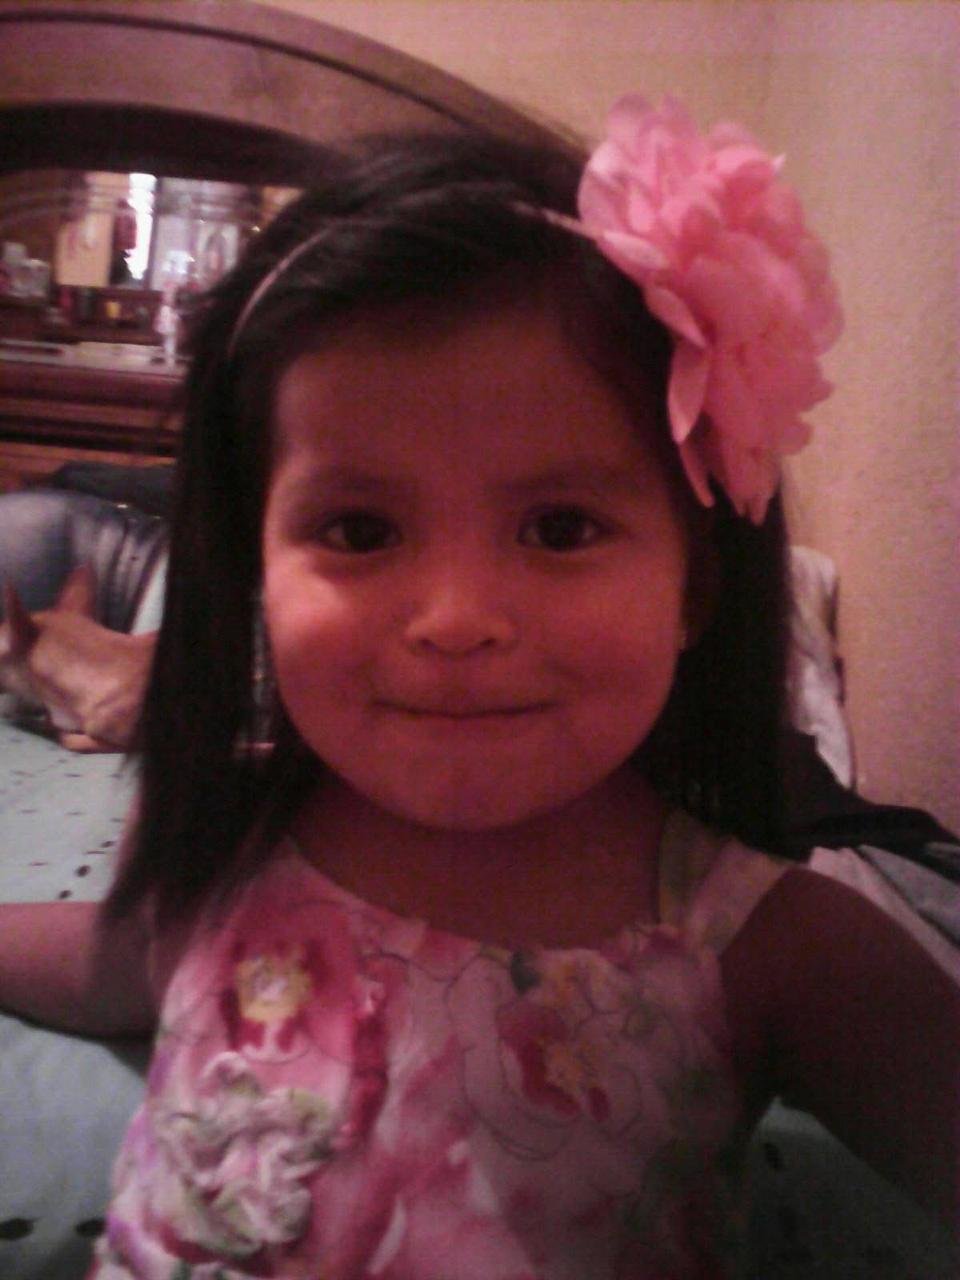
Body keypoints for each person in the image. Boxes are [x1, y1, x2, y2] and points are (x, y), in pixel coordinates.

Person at [0, 96, 957, 1279]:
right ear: (252, 569)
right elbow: (113, 962)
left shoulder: (773, 944)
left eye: (560, 527)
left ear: (696, 583)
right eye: (359, 529)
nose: (455, 618)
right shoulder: (225, 840)